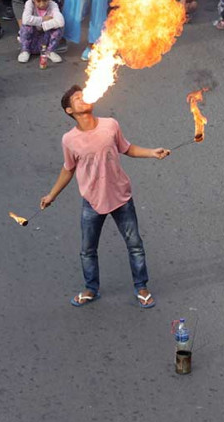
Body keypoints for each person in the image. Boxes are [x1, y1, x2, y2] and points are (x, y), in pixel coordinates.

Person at [40, 84, 169, 308]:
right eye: (77, 98)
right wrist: (52, 195)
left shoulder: (110, 124)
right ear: (69, 111)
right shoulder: (69, 140)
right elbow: (68, 169)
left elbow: (127, 148)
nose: (83, 98)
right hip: (92, 201)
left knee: (135, 245)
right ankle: (91, 289)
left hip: (120, 196)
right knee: (88, 250)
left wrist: (152, 152)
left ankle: (142, 288)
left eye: (83, 95)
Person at [18, 0, 64, 68]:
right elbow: (25, 19)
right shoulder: (29, 3)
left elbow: (60, 21)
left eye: (45, 0)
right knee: (26, 27)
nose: (42, 4)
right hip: (32, 38)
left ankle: (50, 51)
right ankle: (25, 50)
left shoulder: (53, 5)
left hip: (45, 39)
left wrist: (43, 26)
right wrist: (43, 19)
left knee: (58, 29)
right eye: (38, 1)